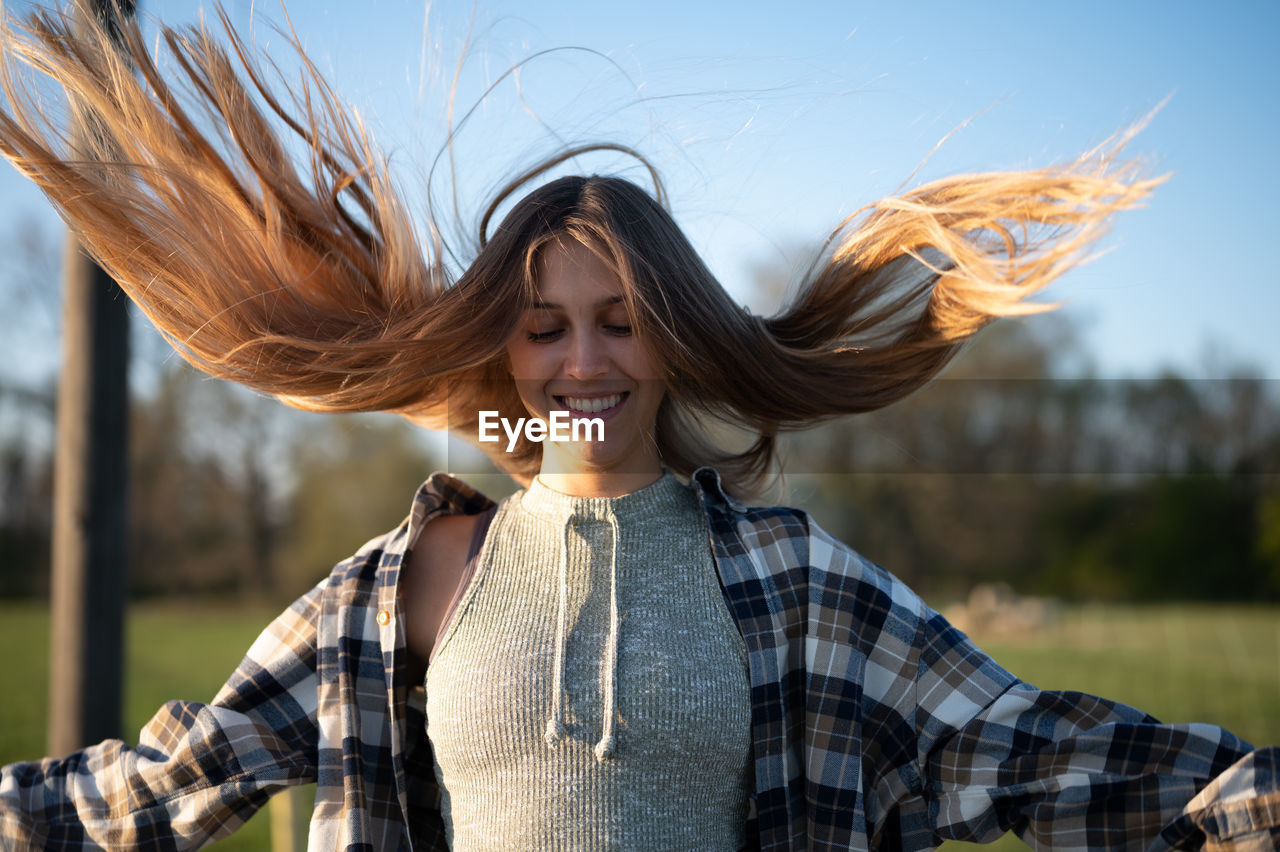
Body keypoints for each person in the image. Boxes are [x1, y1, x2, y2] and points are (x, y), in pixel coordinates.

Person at [1, 3, 1277, 851]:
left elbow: (1027, 748)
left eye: (620, 321)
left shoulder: (791, 582)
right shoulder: (406, 587)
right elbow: (175, 779)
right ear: (502, 344)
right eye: (544, 327)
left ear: (673, 336)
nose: (582, 361)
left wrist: (1245, 793)